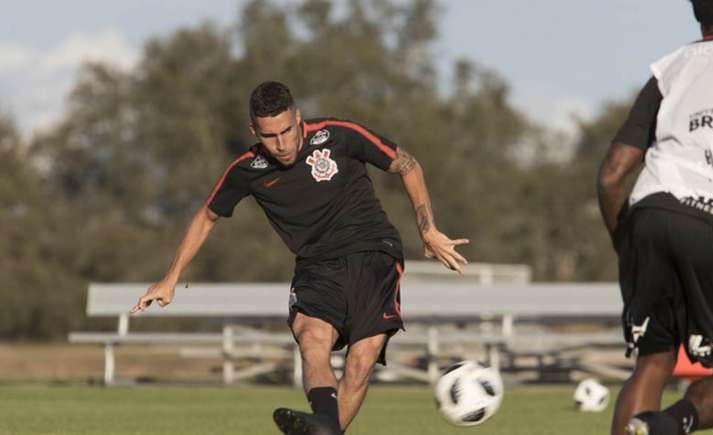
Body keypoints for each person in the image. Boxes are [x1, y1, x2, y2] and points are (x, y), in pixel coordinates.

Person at [130, 81, 469, 435]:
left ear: (298, 117)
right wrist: (171, 277)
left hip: (372, 250)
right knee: (311, 339)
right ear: (254, 131)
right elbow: (206, 216)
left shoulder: (339, 135)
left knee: (360, 362)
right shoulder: (247, 169)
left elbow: (408, 165)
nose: (281, 144)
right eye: (269, 135)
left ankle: (324, 428)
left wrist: (427, 229)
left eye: (287, 130)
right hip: (315, 265)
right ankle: (326, 429)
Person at [597, 1, 713, 434]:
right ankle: (669, 425)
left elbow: (611, 176)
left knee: (653, 360)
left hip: (651, 212)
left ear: (696, 12)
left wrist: (628, 246)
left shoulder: (672, 67)